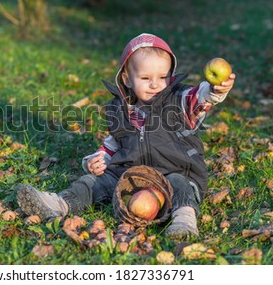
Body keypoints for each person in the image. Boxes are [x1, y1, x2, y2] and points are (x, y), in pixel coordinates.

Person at [16, 33, 236, 239]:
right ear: (127, 79)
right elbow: (111, 146)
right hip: (131, 180)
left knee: (180, 184)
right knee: (94, 181)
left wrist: (216, 89)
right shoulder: (122, 111)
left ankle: (184, 219)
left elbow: (200, 97)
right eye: (145, 77)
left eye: (163, 76)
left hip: (175, 173)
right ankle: (60, 203)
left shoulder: (178, 102)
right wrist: (94, 162)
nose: (155, 84)